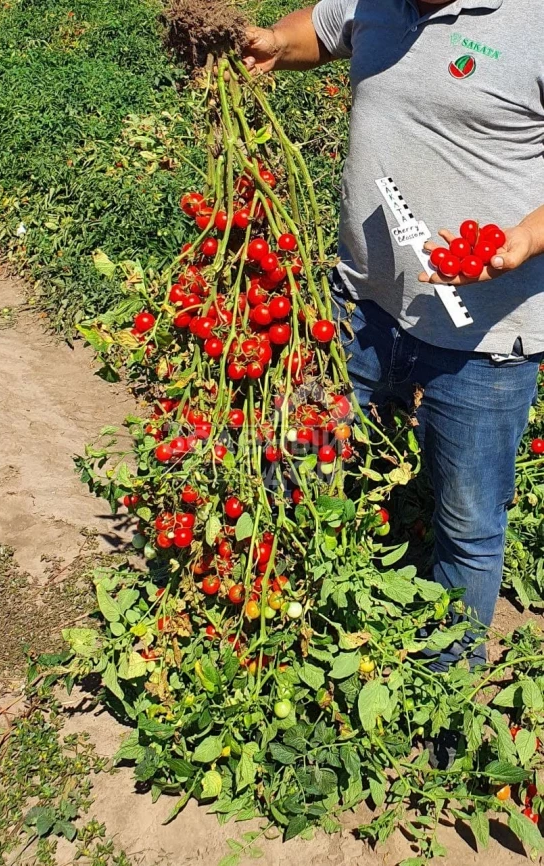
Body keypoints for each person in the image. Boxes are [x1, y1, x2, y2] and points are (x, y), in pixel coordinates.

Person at [242, 1, 544, 673]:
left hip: (485, 339)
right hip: (356, 308)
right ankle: (284, 613)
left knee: (467, 523)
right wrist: (272, 42)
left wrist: (524, 238)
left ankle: (446, 686)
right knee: (304, 451)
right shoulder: (374, 2)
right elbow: (317, 33)